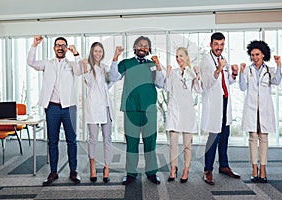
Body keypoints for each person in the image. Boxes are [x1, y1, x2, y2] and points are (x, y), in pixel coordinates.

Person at [27, 35, 82, 186]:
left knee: (72, 140)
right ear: (54, 48)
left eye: (63, 45)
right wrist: (34, 45)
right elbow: (30, 62)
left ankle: (73, 171)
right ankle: (53, 172)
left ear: (66, 48)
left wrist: (76, 54)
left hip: (69, 107)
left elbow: (80, 71)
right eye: (57, 45)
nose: (60, 47)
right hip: (52, 107)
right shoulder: (47, 63)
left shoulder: (71, 64)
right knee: (53, 141)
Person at [111, 36, 165, 185]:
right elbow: (113, 77)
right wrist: (115, 57)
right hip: (131, 109)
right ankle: (131, 174)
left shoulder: (152, 64)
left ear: (149, 49)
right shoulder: (126, 63)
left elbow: (160, 84)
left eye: (146, 45)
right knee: (132, 143)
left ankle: (152, 172)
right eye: (140, 45)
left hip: (149, 110)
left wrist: (159, 66)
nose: (143, 47)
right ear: (135, 47)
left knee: (150, 143)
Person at [199, 32, 240, 185]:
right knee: (213, 138)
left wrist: (234, 74)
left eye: (222, 44)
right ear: (211, 44)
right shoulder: (206, 61)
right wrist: (218, 70)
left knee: (224, 136)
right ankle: (208, 169)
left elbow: (227, 81)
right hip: (214, 104)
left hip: (224, 101)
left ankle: (224, 166)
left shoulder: (223, 59)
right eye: (216, 44)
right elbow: (206, 84)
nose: (219, 47)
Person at [239, 40, 282, 183]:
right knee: (252, 139)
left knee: (263, 139)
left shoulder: (269, 70)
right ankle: (254, 169)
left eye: (257, 54)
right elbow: (243, 87)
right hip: (251, 109)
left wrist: (279, 65)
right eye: (252, 55)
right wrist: (240, 72)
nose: (254, 57)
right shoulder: (248, 70)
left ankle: (263, 170)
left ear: (263, 54)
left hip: (264, 109)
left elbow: (276, 81)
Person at [82, 42, 124, 183]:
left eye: (100, 51)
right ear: (91, 52)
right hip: (93, 108)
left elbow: (114, 76)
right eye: (95, 51)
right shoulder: (88, 67)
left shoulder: (105, 68)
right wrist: (84, 67)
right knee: (93, 139)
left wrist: (115, 57)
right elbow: (89, 82)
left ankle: (107, 168)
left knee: (107, 139)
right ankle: (92, 167)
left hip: (106, 108)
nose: (98, 53)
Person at [165, 47, 202, 183]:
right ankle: (173, 168)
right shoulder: (173, 72)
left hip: (187, 111)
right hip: (175, 111)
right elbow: (167, 88)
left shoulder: (192, 73)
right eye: (176, 56)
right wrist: (168, 74)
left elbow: (198, 90)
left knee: (187, 144)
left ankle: (186, 169)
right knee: (173, 143)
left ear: (186, 57)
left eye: (181, 56)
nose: (178, 59)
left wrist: (198, 76)